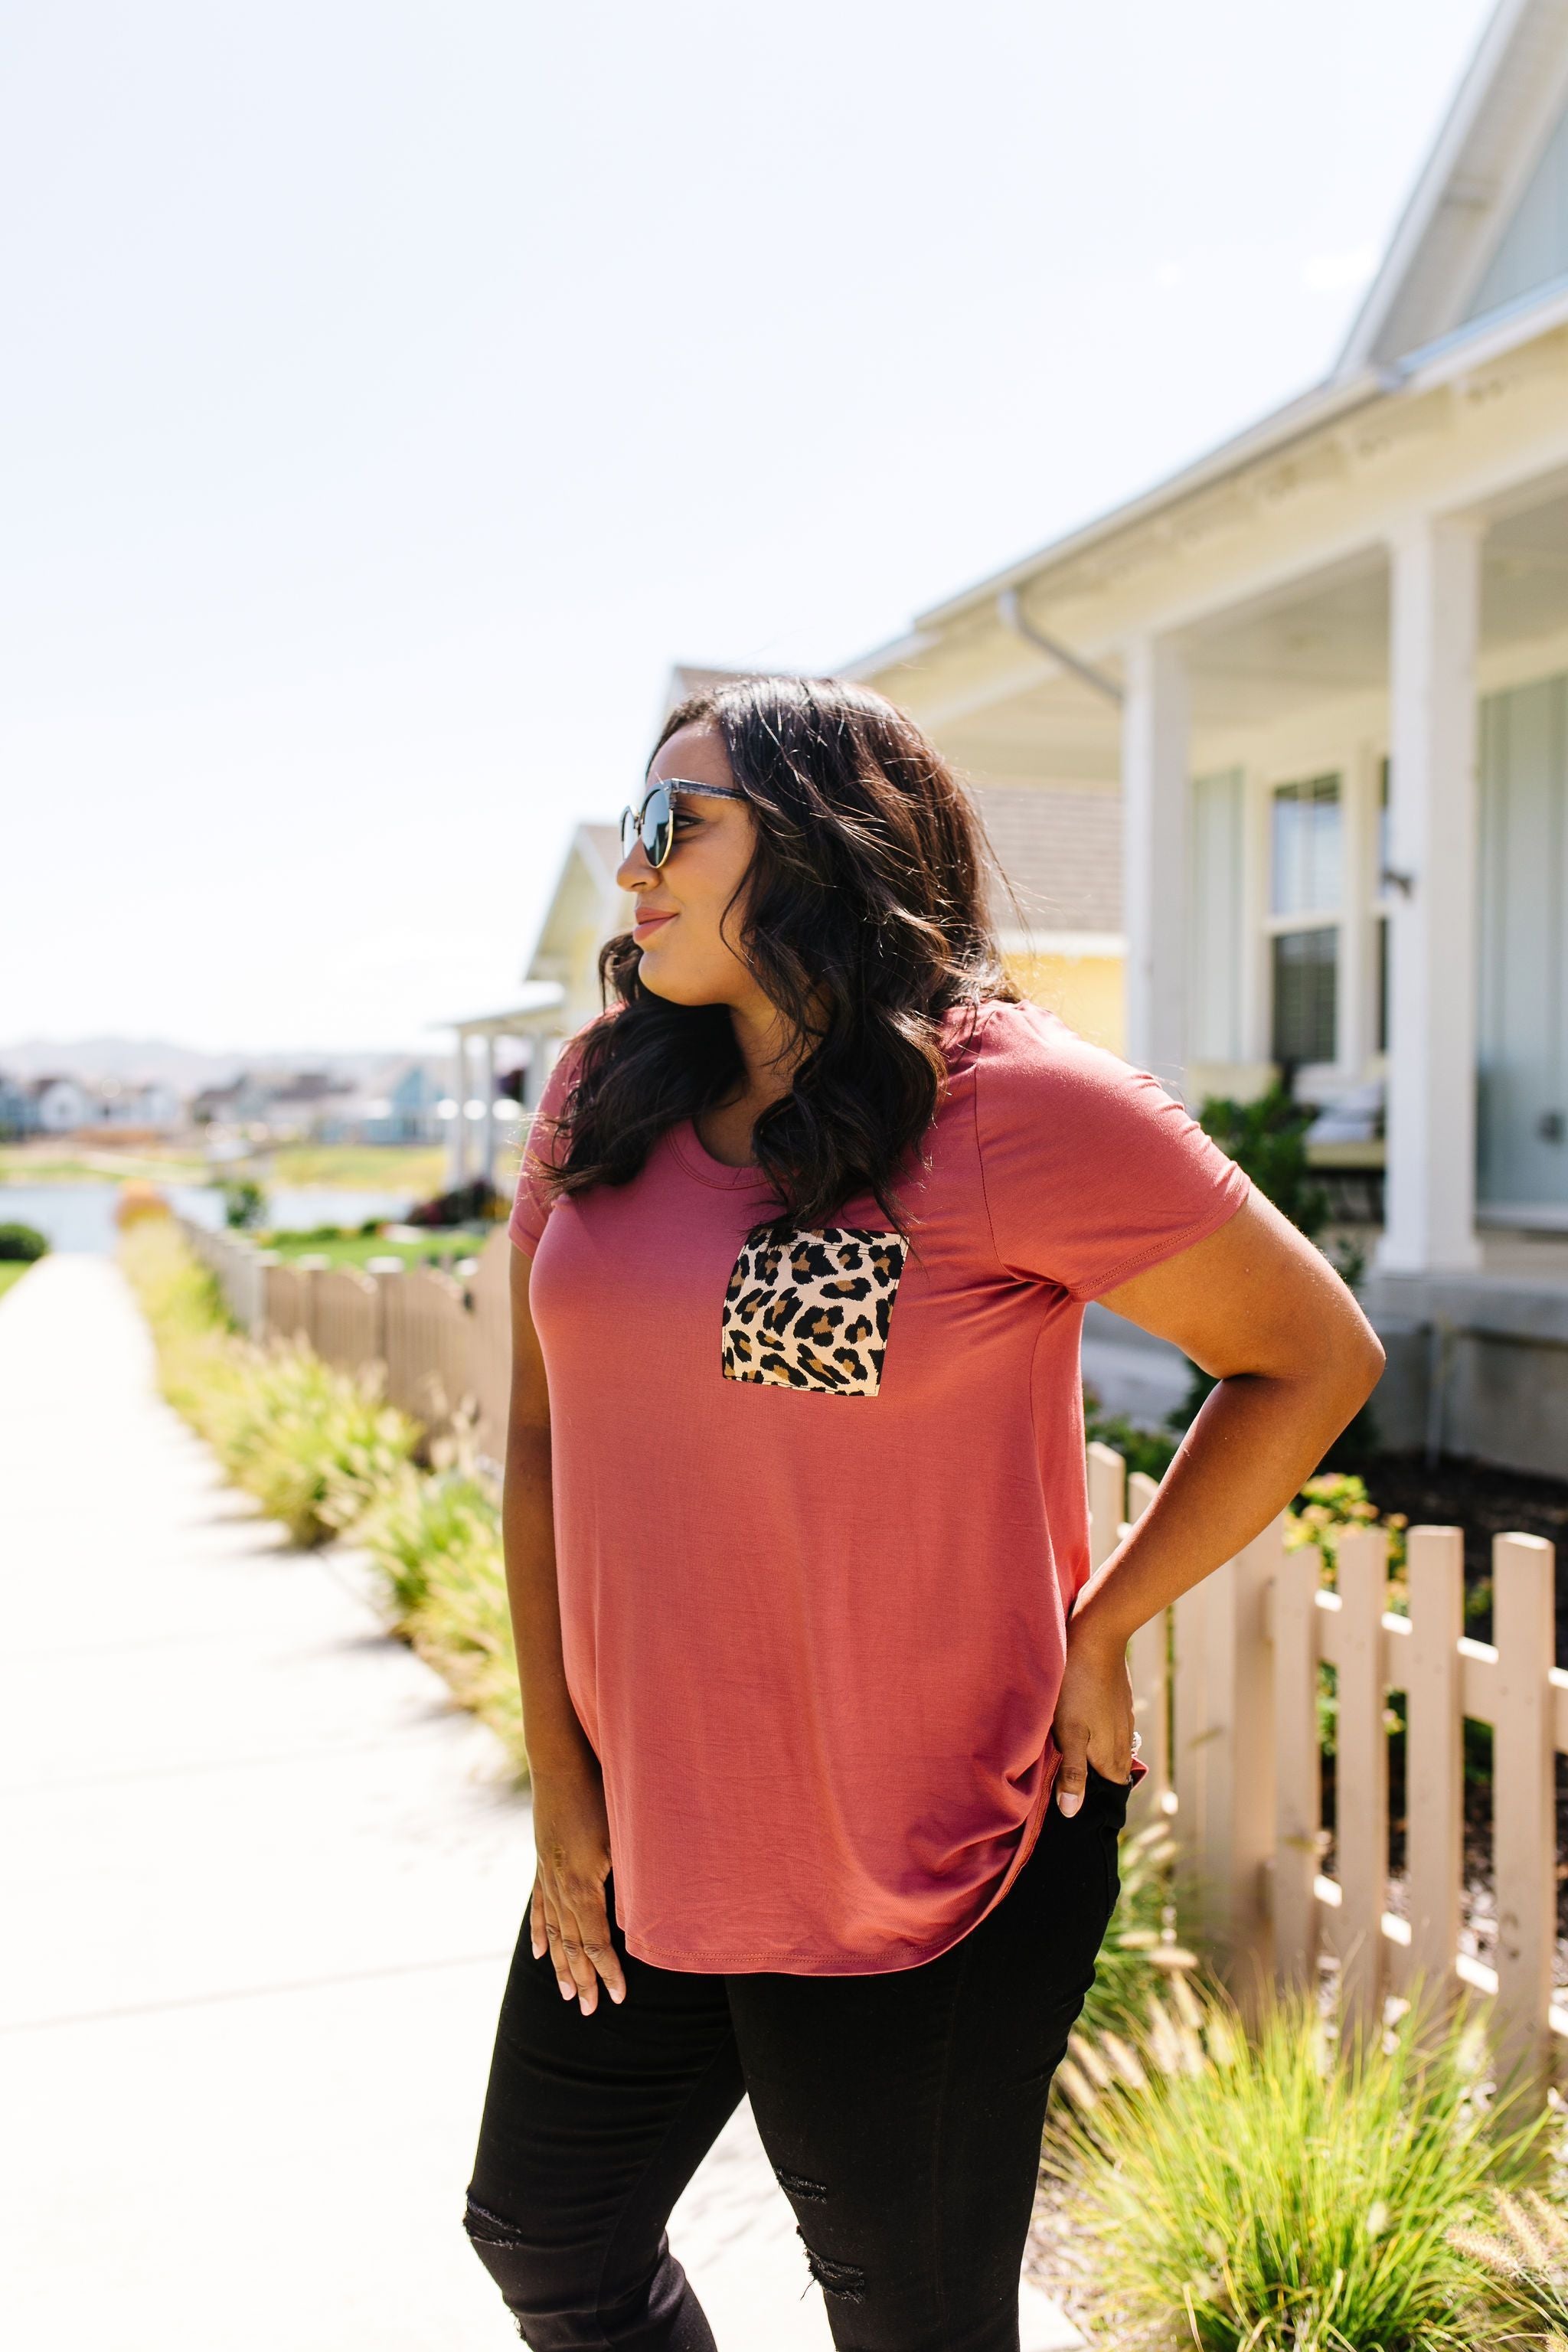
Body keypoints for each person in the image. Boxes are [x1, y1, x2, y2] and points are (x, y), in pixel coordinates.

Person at [463, 676, 1383, 2350]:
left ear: (819, 847)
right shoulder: (604, 1092)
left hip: (922, 1851)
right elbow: (543, 1441)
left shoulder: (1012, 1105)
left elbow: (1309, 1355)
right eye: (634, 823)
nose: (634, 869)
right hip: (646, 1829)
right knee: (545, 2231)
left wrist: (1104, 1619)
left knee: (909, 2319)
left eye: (679, 826)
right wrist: (560, 1778)